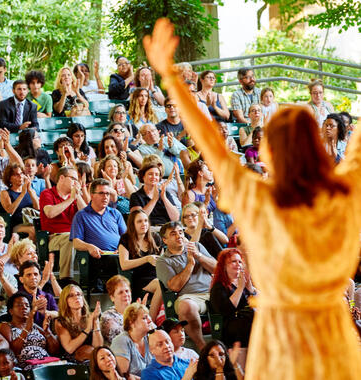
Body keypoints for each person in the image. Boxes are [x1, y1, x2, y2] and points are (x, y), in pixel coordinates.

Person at [143, 18, 361, 378]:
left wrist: (171, 78)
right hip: (331, 336)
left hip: (281, 338)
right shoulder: (342, 192)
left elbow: (211, 144)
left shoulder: (258, 198)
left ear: (271, 150)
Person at [156, 221, 217, 350]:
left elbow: (218, 269)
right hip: (189, 297)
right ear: (165, 240)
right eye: (173, 234)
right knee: (186, 306)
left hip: (212, 292)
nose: (179, 236)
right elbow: (174, 286)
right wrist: (190, 264)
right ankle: (202, 347)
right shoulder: (163, 261)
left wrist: (199, 256)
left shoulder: (196, 246)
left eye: (180, 232)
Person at [70, 178, 127, 291]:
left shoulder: (116, 213)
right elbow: (76, 242)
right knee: (114, 261)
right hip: (98, 257)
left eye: (107, 193)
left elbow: (127, 238)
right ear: (92, 195)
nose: (105, 197)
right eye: (101, 193)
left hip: (118, 255)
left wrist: (122, 249)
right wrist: (89, 246)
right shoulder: (81, 215)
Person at [39, 166, 87, 280]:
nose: (76, 183)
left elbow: (86, 217)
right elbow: (50, 213)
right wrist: (70, 200)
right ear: (61, 178)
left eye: (77, 180)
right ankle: (66, 279)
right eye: (73, 179)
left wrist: (78, 196)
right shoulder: (47, 194)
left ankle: (92, 281)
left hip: (73, 236)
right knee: (71, 238)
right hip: (53, 237)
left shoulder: (74, 197)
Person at [210, 249, 255, 369]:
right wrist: (240, 288)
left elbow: (258, 303)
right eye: (233, 261)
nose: (238, 264)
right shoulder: (218, 287)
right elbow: (226, 310)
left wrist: (250, 287)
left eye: (240, 262)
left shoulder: (244, 282)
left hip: (247, 323)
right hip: (231, 326)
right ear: (224, 266)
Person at [118, 209, 162, 320]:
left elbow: (161, 260)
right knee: (160, 284)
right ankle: (150, 320)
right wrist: (146, 259)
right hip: (139, 279)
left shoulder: (155, 238)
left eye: (146, 221)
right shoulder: (125, 239)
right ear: (132, 224)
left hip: (157, 276)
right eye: (139, 221)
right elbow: (124, 264)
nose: (144, 224)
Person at [0, 292, 59, 372]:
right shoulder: (5, 326)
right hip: (25, 367)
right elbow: (11, 352)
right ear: (11, 311)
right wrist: (26, 329)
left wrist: (47, 332)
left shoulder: (35, 326)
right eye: (19, 305)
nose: (24, 307)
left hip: (46, 363)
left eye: (27, 305)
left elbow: (55, 351)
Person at [55, 284, 103, 362]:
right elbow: (70, 348)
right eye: (71, 295)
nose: (76, 297)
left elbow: (98, 347)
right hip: (71, 360)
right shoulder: (60, 321)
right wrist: (87, 329)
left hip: (93, 358)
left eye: (78, 294)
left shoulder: (91, 317)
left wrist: (96, 320)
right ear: (65, 300)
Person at [111, 303, 154, 378]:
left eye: (149, 317)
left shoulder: (150, 337)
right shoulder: (121, 341)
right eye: (144, 318)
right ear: (132, 323)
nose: (150, 320)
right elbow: (123, 376)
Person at [0, 163, 39, 240]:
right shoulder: (5, 193)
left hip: (32, 222)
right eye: (16, 175)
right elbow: (9, 211)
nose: (20, 176)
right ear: (9, 178)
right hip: (16, 225)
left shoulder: (31, 191)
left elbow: (37, 208)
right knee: (33, 230)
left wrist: (29, 190)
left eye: (21, 173)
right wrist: (22, 193)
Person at [17, 260, 59, 328]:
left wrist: (44, 312)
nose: (33, 277)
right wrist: (33, 309)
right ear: (21, 279)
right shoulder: (16, 298)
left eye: (35, 274)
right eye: (29, 275)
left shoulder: (48, 296)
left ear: (40, 277)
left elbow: (57, 314)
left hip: (46, 334)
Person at [100, 275, 132, 346]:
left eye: (127, 291)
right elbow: (123, 341)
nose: (126, 294)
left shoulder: (136, 311)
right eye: (120, 292)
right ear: (112, 297)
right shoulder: (107, 317)